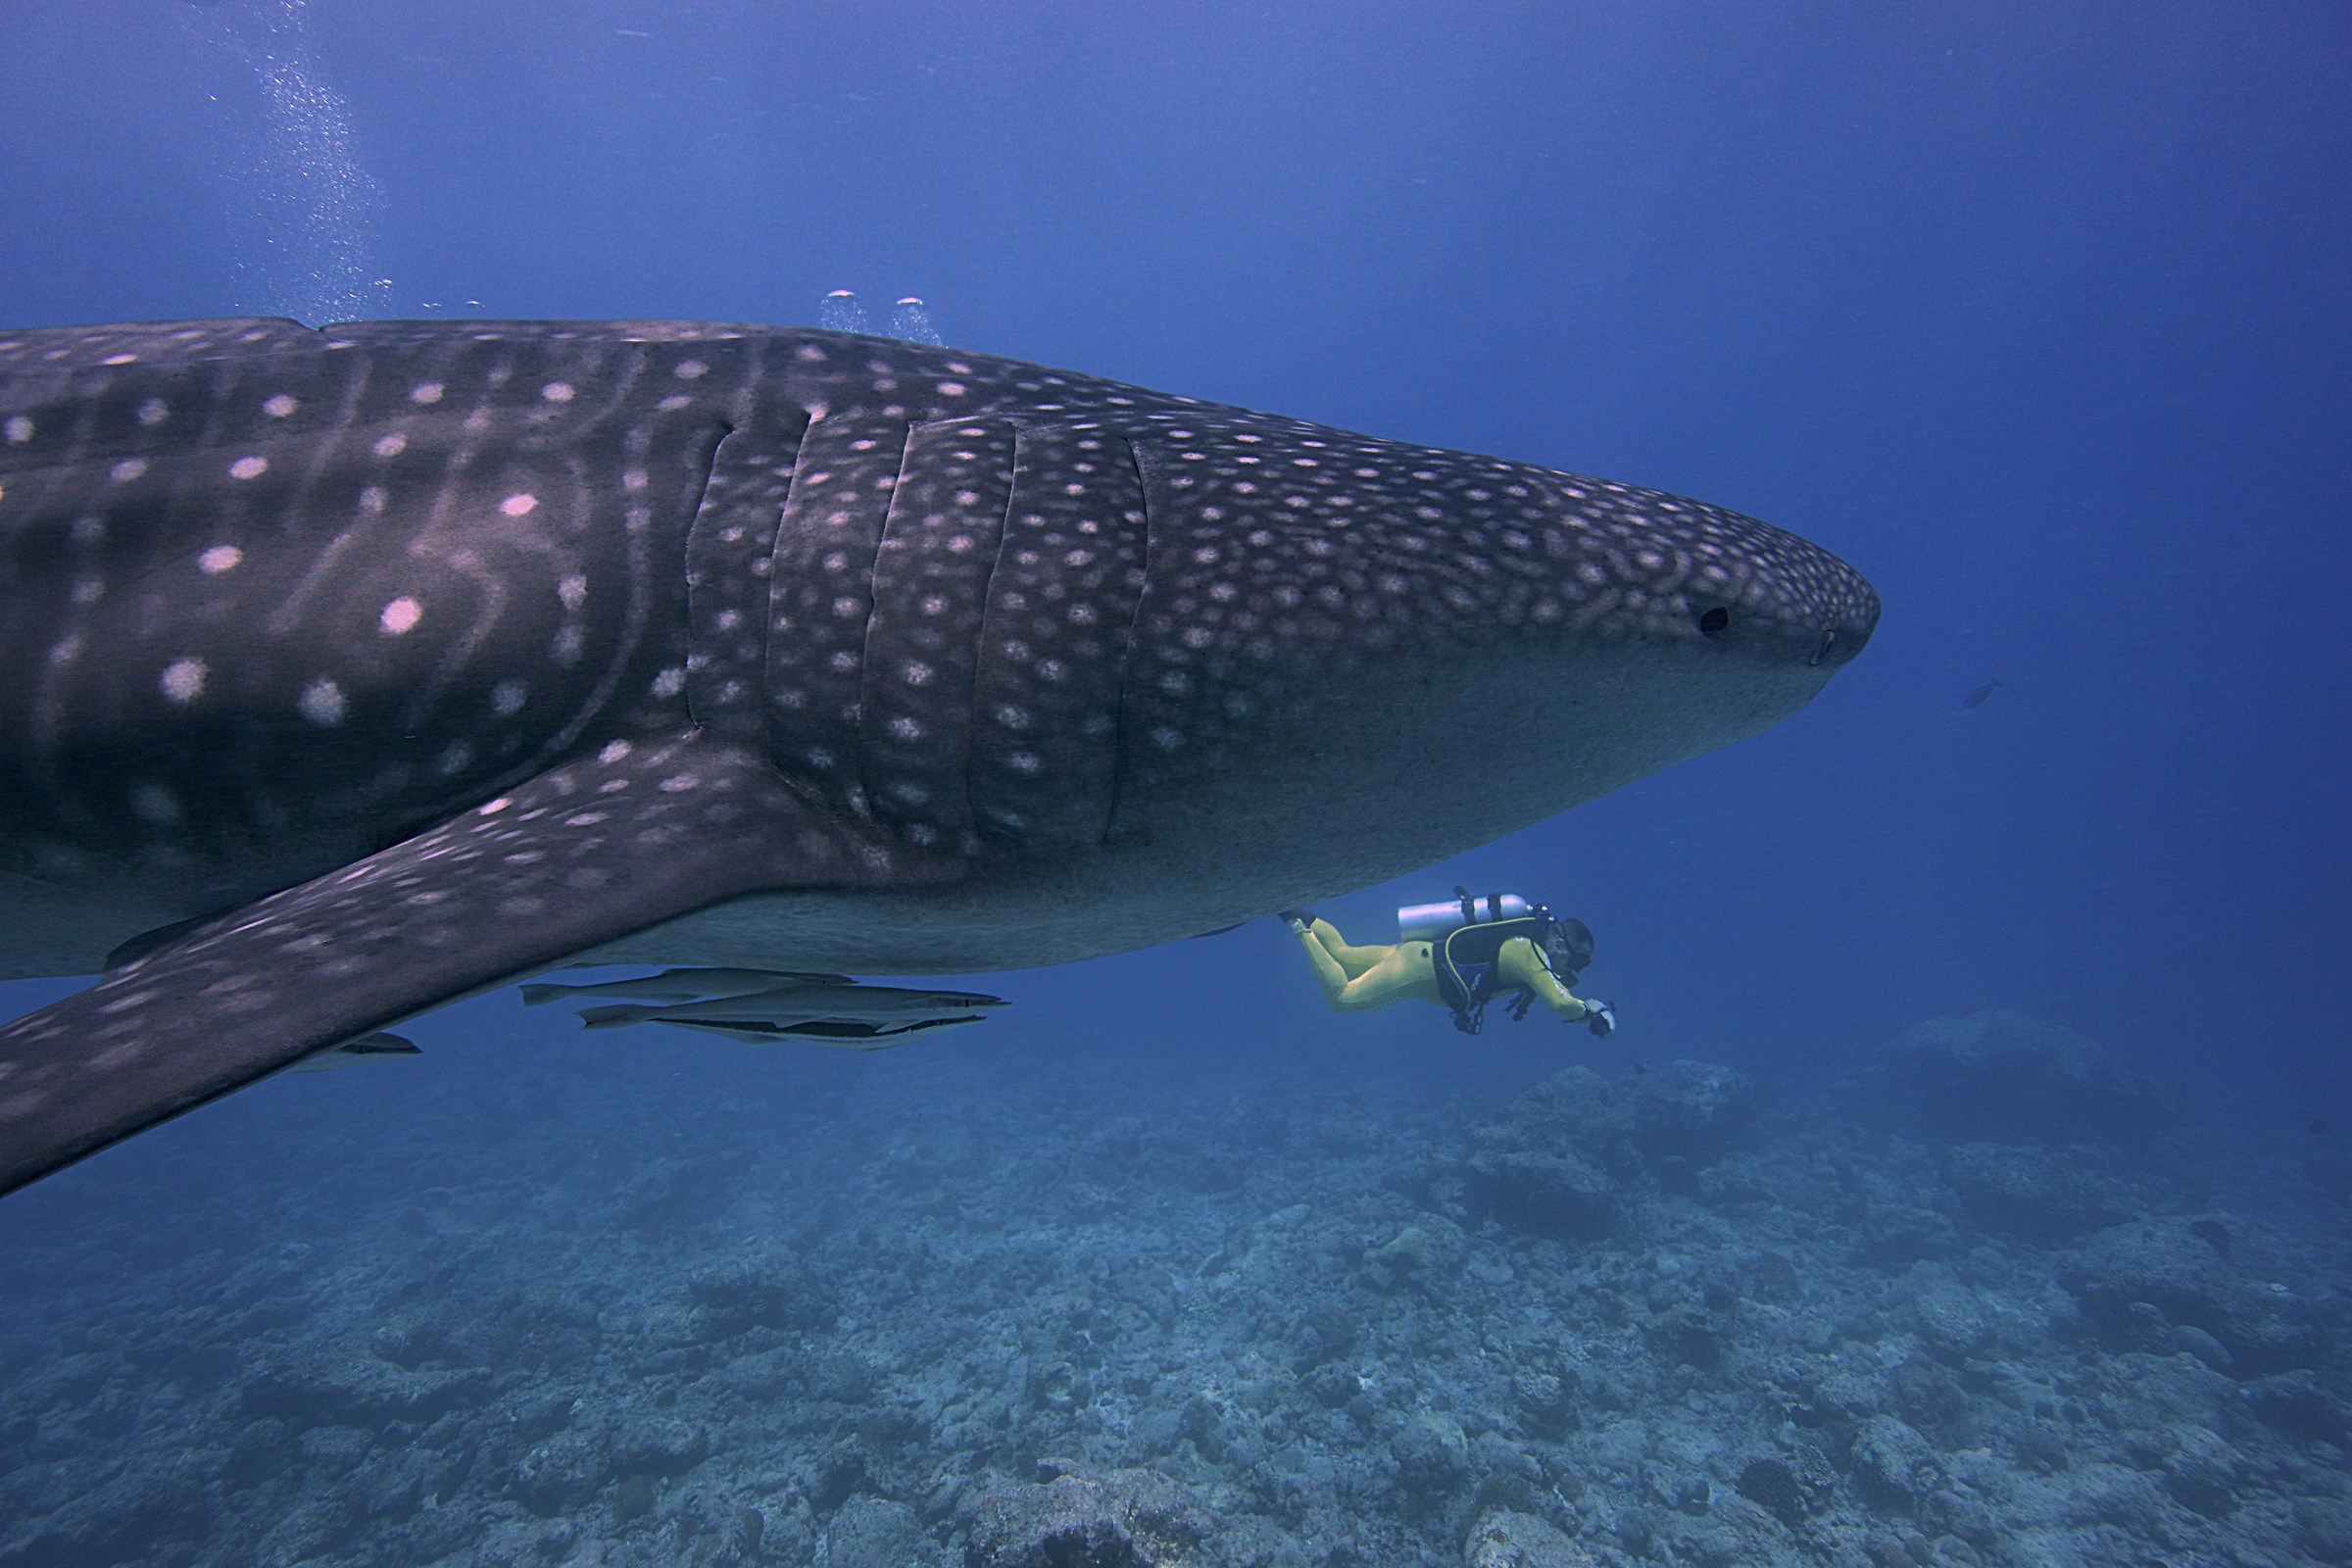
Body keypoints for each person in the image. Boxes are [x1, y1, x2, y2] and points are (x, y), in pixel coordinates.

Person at [1284, 888, 1616, 1037]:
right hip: (1419, 971)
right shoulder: (1529, 953)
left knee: (1344, 953)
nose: (1575, 969)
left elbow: (1559, 985)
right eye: (1578, 962)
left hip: (1420, 954)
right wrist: (1590, 1013)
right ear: (1558, 945)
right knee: (1342, 999)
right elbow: (1560, 1002)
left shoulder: (1524, 944)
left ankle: (1292, 908)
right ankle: (1297, 925)